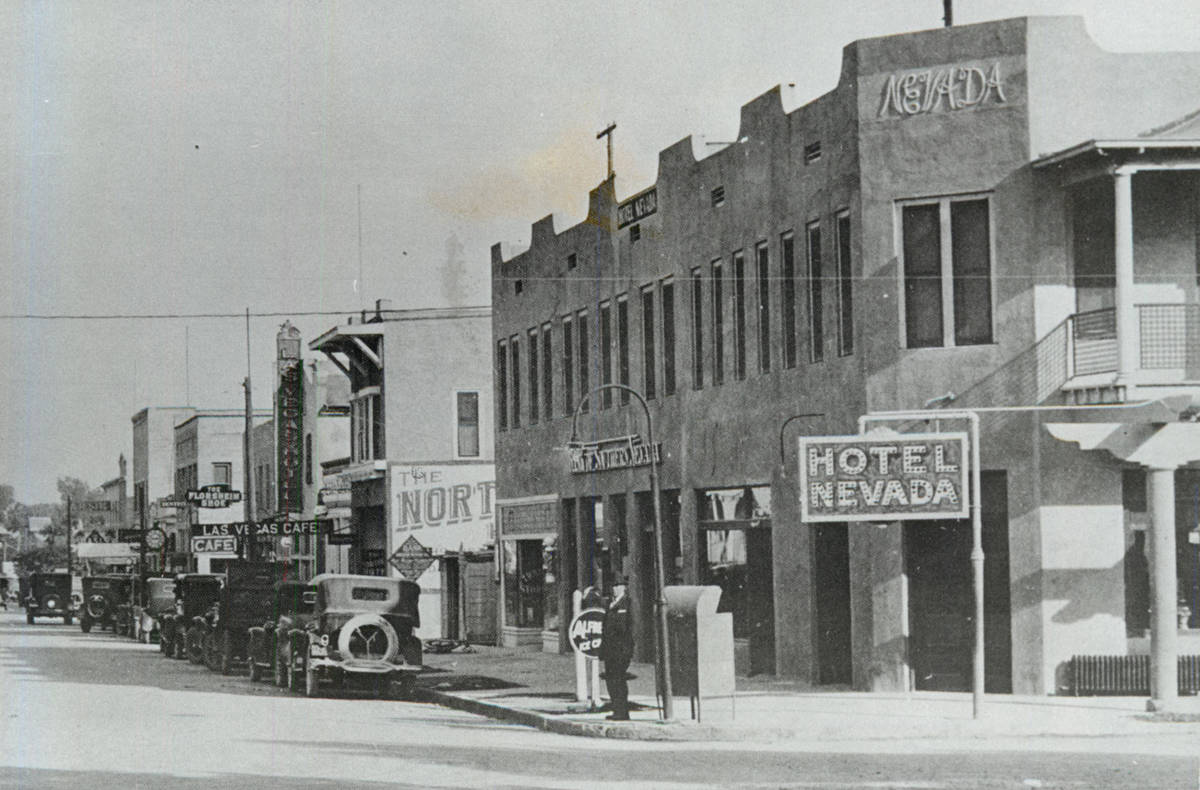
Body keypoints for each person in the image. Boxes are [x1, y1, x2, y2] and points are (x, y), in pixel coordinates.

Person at [600, 580, 634, 721]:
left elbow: (628, 628)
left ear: (624, 588)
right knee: (611, 680)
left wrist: (628, 648)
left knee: (618, 679)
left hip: (621, 650)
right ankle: (616, 709)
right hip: (610, 650)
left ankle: (622, 711)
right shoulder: (611, 604)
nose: (614, 589)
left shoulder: (627, 603)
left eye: (617, 586)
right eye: (613, 586)